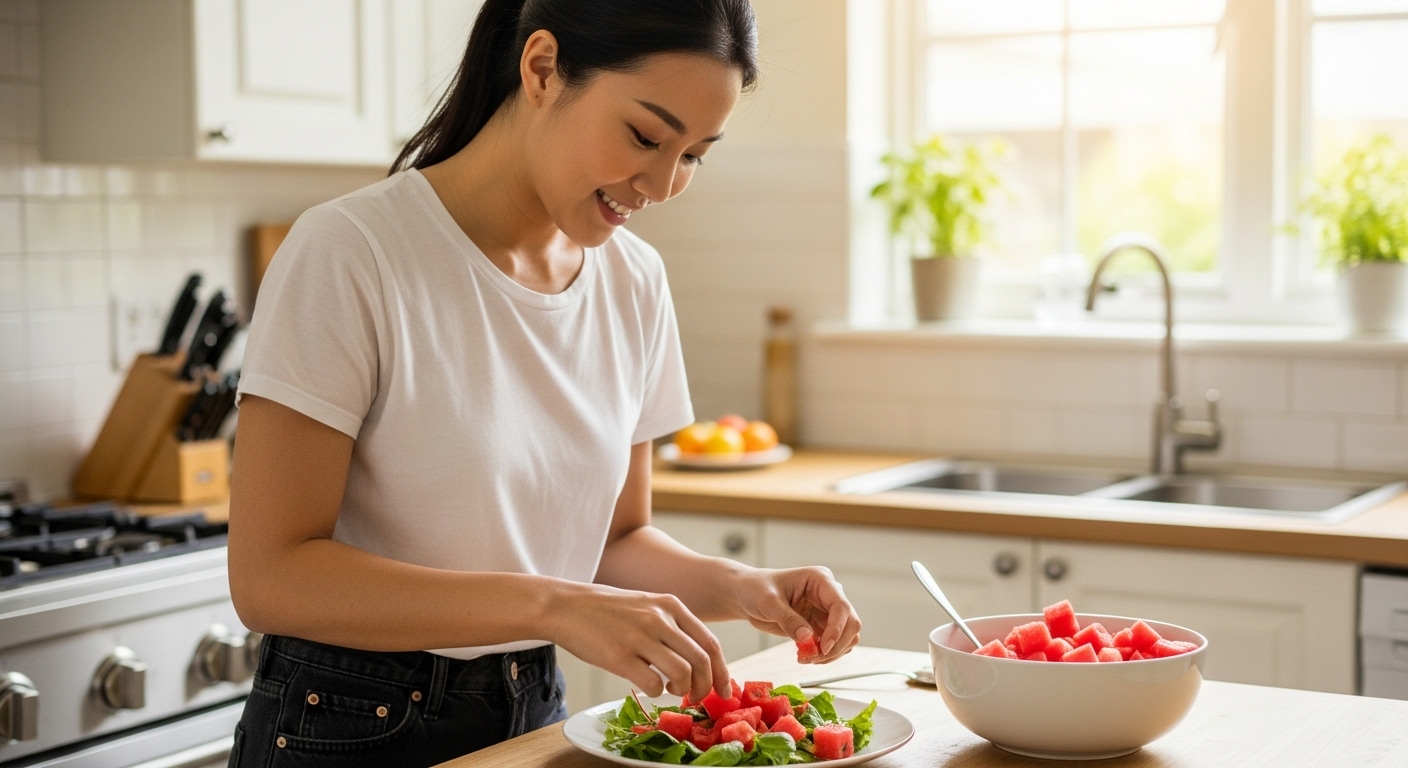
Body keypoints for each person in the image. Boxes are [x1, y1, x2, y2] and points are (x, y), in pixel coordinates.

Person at [226, 1, 862, 765]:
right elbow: (271, 576)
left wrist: (740, 586)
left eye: (694, 155)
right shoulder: (352, 252)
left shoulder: (634, 281)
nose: (662, 184)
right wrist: (552, 604)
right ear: (540, 68)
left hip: (531, 707)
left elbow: (614, 541)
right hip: (347, 720)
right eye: (645, 136)